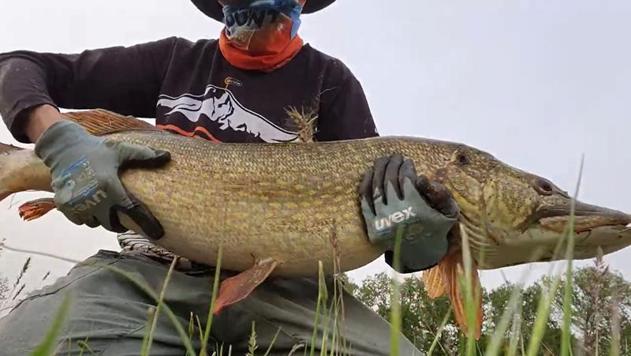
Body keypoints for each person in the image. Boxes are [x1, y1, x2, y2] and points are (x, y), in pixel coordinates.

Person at [0, 0, 458, 354]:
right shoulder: (175, 60)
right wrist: (60, 142)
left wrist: (412, 241)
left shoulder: (330, 81)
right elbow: (16, 66)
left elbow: (379, 208)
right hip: (147, 273)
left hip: (292, 295)